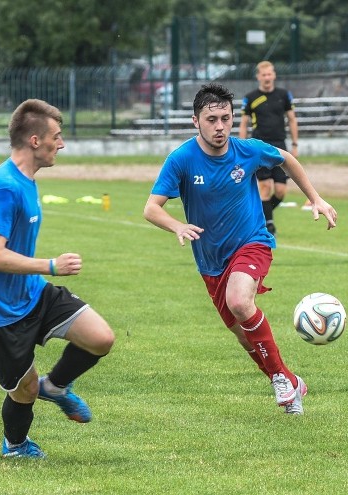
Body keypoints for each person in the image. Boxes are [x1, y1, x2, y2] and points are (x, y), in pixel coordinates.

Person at [144, 83, 336, 415]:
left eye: (225, 118)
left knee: (239, 301)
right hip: (211, 263)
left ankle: (280, 382)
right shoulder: (181, 160)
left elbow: (286, 159)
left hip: (252, 243)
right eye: (211, 119)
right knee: (244, 336)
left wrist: (315, 197)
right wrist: (176, 225)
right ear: (195, 121)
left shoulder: (247, 150)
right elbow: (151, 208)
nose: (219, 127)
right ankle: (290, 380)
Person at [0, 99, 115, 459]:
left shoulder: (25, 180)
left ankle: (57, 386)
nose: (61, 144)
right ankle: (15, 447)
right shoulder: (5, 186)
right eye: (56, 137)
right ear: (35, 140)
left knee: (101, 337)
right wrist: (50, 264)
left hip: (30, 294)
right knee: (24, 390)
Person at [238, 60, 300, 235]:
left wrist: (295, 144)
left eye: (269, 74)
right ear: (258, 76)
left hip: (280, 145)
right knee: (264, 186)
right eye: (263, 74)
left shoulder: (284, 95)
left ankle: (262, 215)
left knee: (280, 191)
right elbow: (244, 124)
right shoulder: (250, 98)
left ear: (274, 75)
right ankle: (269, 225)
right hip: (260, 146)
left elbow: (292, 119)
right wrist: (242, 147)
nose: (267, 77)